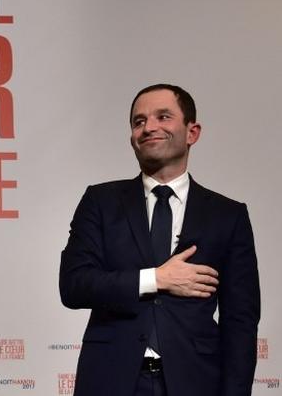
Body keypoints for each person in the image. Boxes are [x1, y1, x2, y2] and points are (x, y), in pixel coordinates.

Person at [59, 84, 260, 396]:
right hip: (110, 379)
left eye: (163, 117)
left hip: (196, 381)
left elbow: (241, 321)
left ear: (192, 132)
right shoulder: (100, 201)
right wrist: (156, 279)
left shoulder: (228, 215)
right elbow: (74, 285)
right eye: (139, 122)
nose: (148, 127)